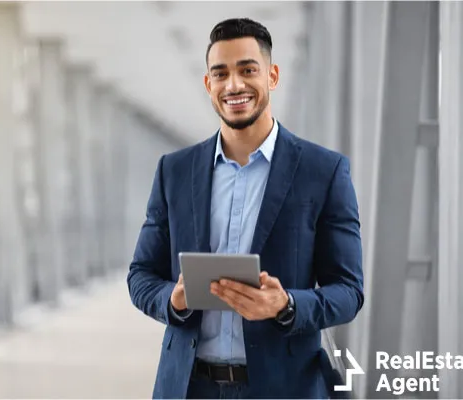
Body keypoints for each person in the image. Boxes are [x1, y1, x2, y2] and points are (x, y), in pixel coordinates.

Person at [127, 17, 364, 399]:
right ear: (209, 85)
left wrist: (286, 304)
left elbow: (349, 291)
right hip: (188, 387)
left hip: (283, 388)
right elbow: (140, 275)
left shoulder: (324, 171)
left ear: (272, 75)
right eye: (220, 74)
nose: (234, 85)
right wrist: (173, 300)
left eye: (247, 70)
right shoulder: (174, 171)